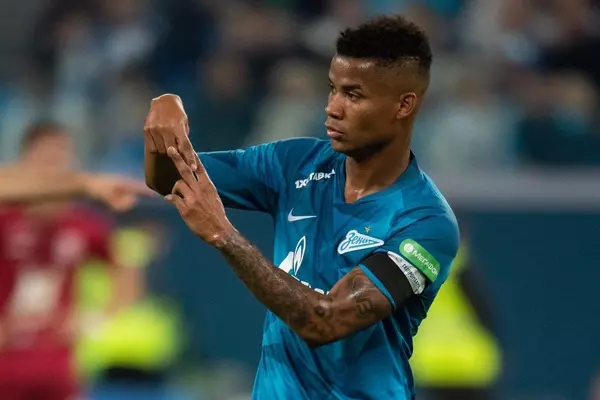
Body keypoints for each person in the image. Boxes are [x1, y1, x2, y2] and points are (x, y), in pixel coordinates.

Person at [144, 15, 459, 400]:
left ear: (403, 105)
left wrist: (224, 236)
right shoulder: (295, 164)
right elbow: (167, 175)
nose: (332, 108)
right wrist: (164, 118)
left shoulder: (425, 221)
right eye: (332, 89)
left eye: (353, 95)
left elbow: (325, 322)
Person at [0, 122, 139, 399]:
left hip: (58, 369)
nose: (53, 171)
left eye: (60, 161)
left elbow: (125, 270)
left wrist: (93, 320)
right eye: (45, 161)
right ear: (24, 164)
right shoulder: (5, 220)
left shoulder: (82, 226)